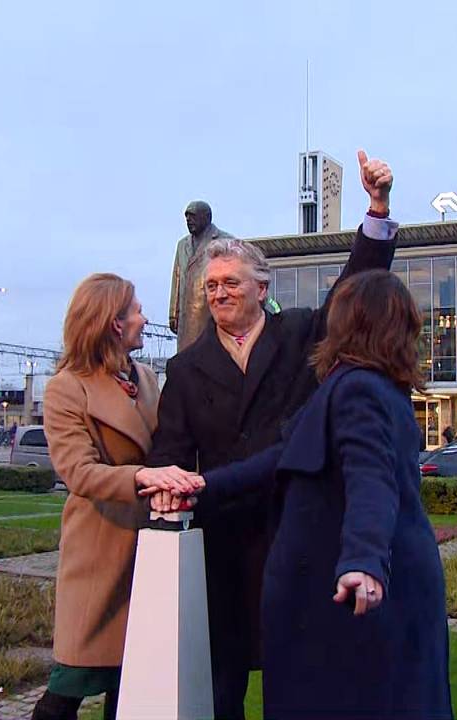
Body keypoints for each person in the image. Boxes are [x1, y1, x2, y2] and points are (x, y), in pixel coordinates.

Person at [147, 150, 398, 719]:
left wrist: (377, 211)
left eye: (230, 282)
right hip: (222, 552)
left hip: (297, 538)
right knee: (220, 688)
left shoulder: (303, 335)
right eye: (210, 286)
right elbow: (169, 453)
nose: (218, 294)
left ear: (263, 287)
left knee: (301, 690)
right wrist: (167, 488)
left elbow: (354, 290)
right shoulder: (185, 370)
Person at [147, 270, 452, 719]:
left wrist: (362, 559)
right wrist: (203, 488)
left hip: (350, 595)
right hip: (369, 590)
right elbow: (281, 456)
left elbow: (372, 481)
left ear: (350, 323)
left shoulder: (358, 391)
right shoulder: (358, 386)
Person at [30, 273, 200, 720]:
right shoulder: (67, 388)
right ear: (113, 324)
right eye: (136, 310)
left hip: (150, 547)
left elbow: (167, 443)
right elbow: (79, 472)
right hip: (100, 550)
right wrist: (146, 477)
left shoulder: (145, 378)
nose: (145, 319)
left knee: (133, 683)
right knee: (69, 685)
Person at [169, 200, 237, 352]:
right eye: (186, 217)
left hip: (211, 313)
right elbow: (177, 277)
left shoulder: (226, 241)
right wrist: (173, 313)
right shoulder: (182, 245)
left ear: (207, 217)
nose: (188, 220)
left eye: (192, 216)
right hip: (186, 317)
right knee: (186, 361)